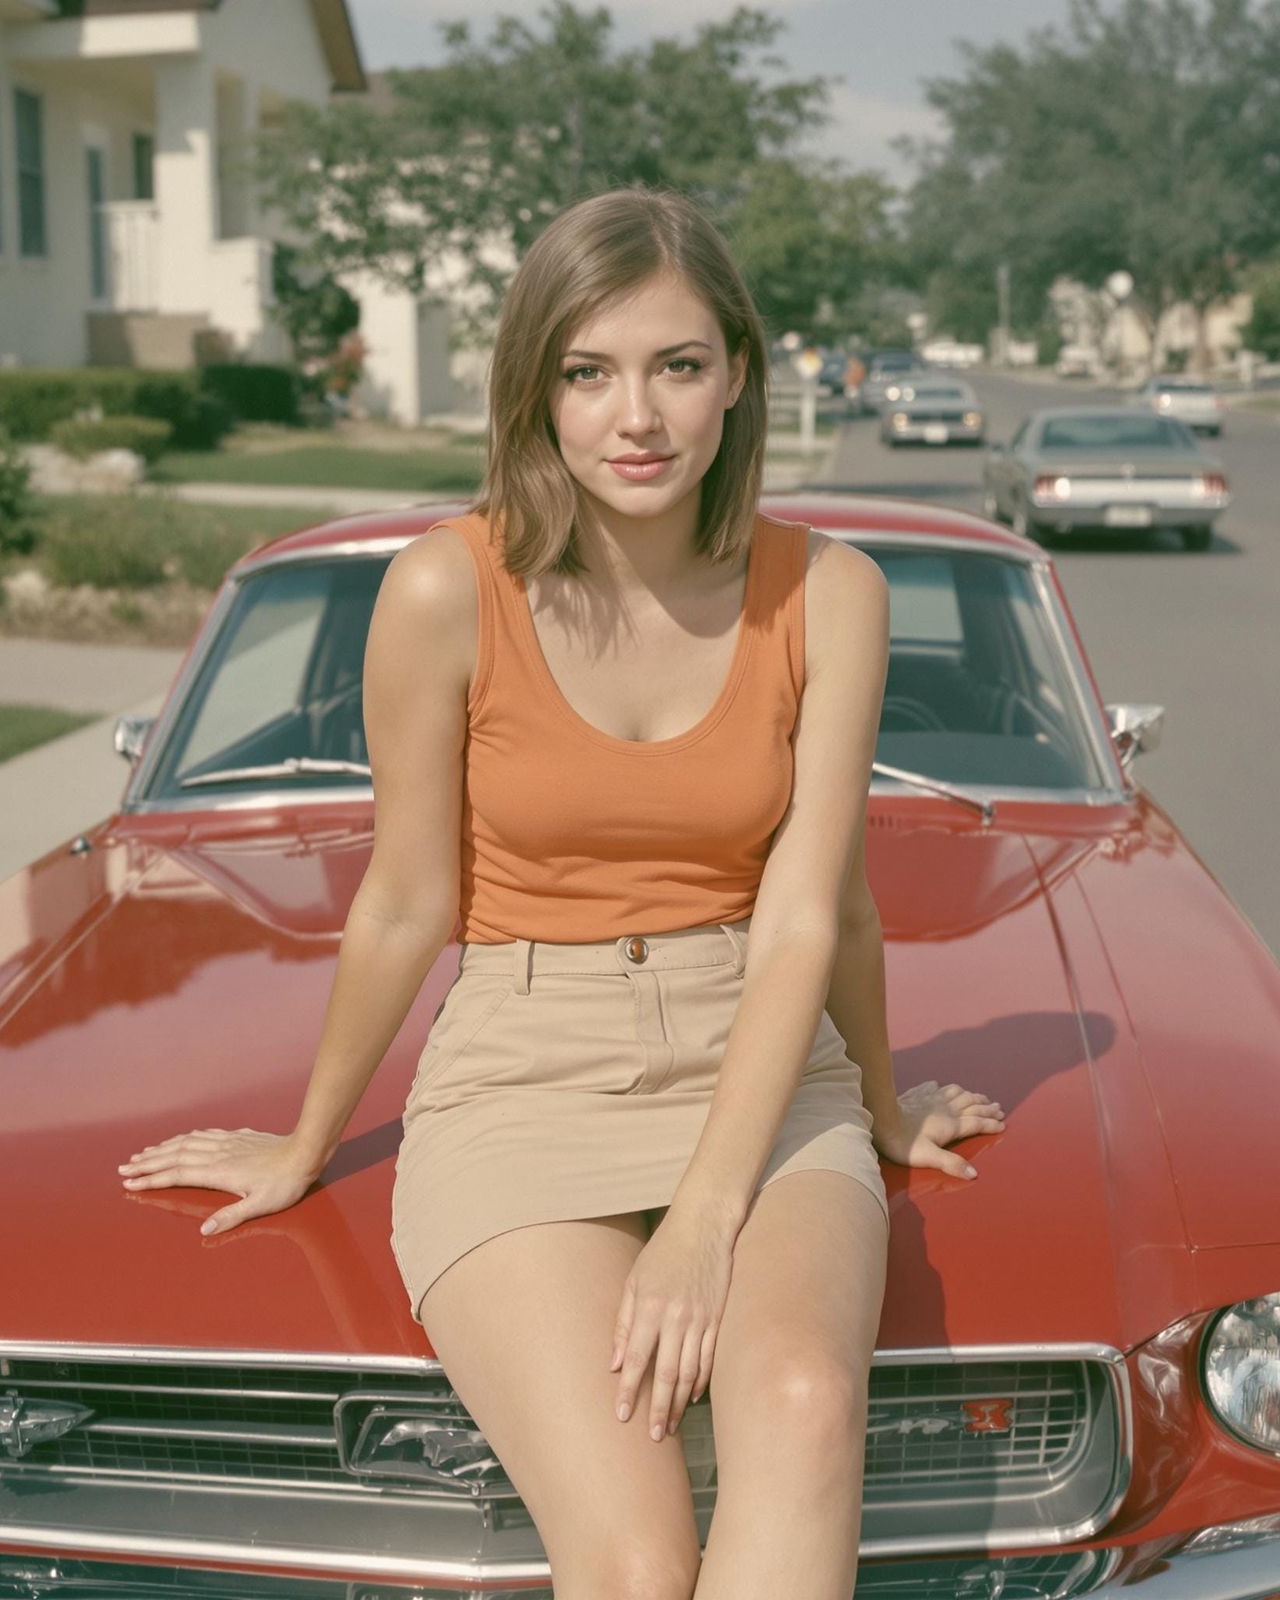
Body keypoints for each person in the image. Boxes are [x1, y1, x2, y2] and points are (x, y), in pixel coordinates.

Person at [115, 183, 1006, 1598]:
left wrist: (853, 1127)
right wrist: (303, 1141)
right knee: (638, 1556)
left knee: (798, 1403)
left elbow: (816, 912)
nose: (634, 416)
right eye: (588, 373)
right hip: (523, 1074)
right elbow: (407, 900)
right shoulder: (442, 589)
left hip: (767, 1071)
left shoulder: (832, 592)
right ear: (535, 390)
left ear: (737, 380)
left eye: (677, 366)